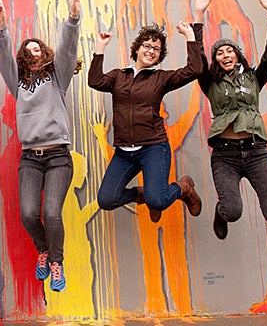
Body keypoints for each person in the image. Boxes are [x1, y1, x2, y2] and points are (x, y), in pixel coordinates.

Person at [192, 0, 267, 240]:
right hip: (225, 155)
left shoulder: (254, 78)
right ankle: (221, 212)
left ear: (237, 55)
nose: (225, 55)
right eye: (220, 53)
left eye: (229, 51)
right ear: (217, 60)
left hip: (256, 153)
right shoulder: (210, 83)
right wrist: (199, 15)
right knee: (232, 211)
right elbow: (197, 56)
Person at [0, 0, 81, 292]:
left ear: (44, 55)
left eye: (37, 51)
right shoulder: (18, 84)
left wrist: (72, 17)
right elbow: (3, 57)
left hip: (58, 157)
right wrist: (2, 26)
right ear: (22, 58)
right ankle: (43, 250)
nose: (33, 55)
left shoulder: (58, 78)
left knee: (52, 212)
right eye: (27, 52)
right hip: (30, 157)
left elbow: (68, 49)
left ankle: (56, 262)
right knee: (29, 213)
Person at [87, 20, 203, 223]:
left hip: (153, 147)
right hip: (124, 151)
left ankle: (184, 188)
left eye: (156, 49)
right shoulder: (119, 76)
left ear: (160, 56)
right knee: (106, 200)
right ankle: (141, 194)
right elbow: (95, 81)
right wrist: (100, 48)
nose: (151, 51)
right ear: (138, 48)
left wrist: (190, 37)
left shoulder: (161, 78)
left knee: (158, 200)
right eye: (147, 46)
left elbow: (194, 69)